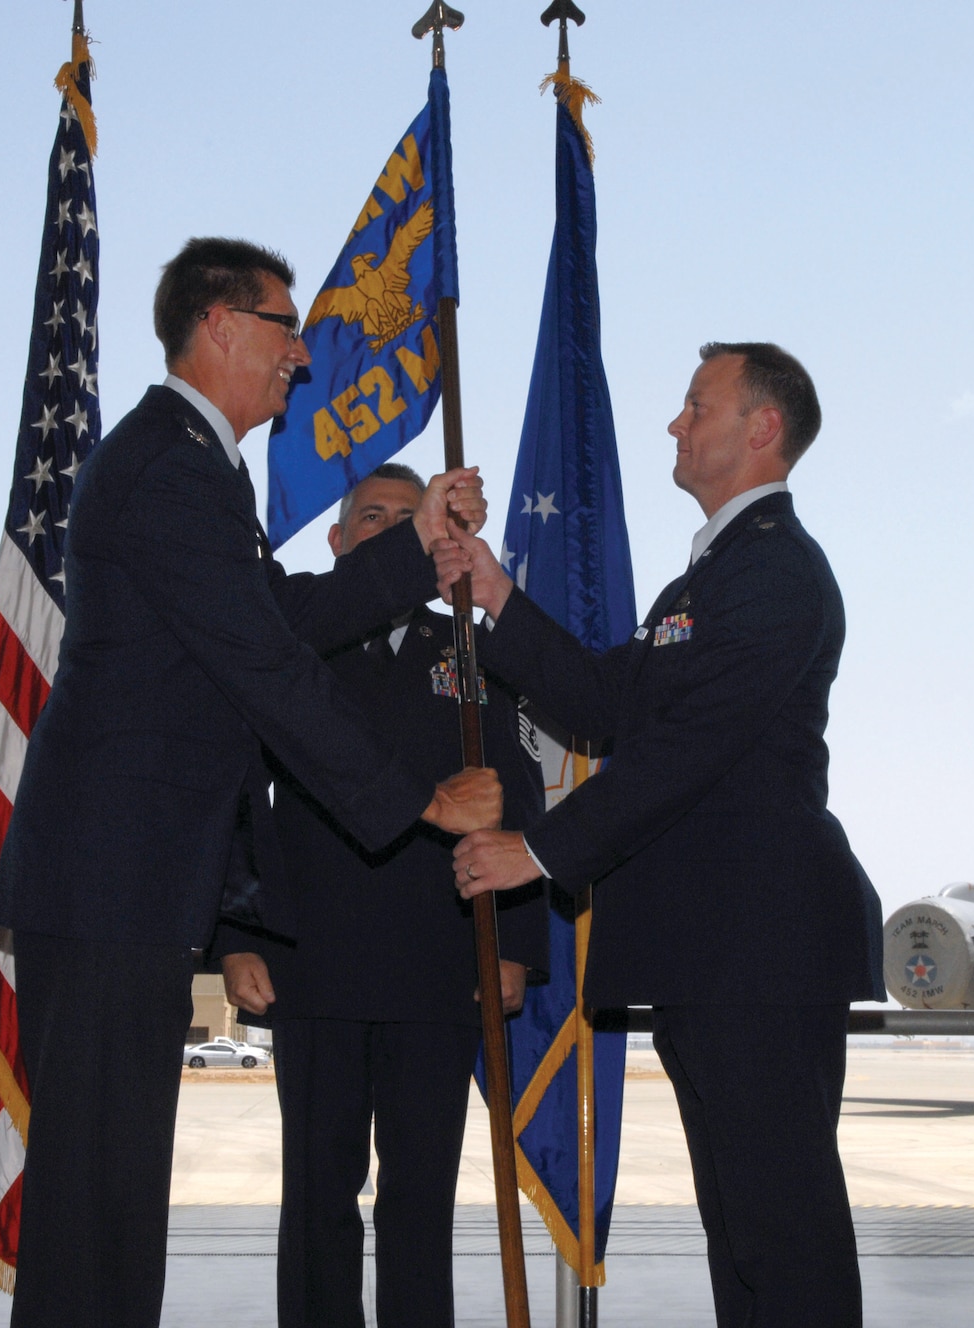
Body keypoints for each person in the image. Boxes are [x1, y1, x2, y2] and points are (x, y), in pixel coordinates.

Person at [0, 238, 502, 1328]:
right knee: (94, 1200)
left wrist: (414, 548)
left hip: (126, 885)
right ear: (219, 325)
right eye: (283, 326)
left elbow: (287, 624)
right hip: (110, 883)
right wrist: (417, 801)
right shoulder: (172, 465)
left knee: (115, 1193)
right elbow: (269, 670)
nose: (301, 356)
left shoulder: (192, 465)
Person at [448, 343, 884, 1327]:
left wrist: (541, 847)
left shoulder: (773, 570)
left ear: (759, 428)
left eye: (696, 405)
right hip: (710, 945)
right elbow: (607, 701)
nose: (674, 423)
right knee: (738, 1229)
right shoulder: (708, 580)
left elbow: (691, 745)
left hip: (760, 942)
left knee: (782, 1228)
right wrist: (496, 594)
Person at [214, 464, 549, 1328]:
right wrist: (235, 932)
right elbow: (239, 790)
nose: (396, 529)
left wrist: (513, 942)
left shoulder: (470, 651)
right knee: (318, 1193)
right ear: (339, 541)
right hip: (311, 960)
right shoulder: (290, 644)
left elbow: (517, 797)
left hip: (438, 958)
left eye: (413, 517)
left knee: (421, 1194)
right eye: (374, 517)